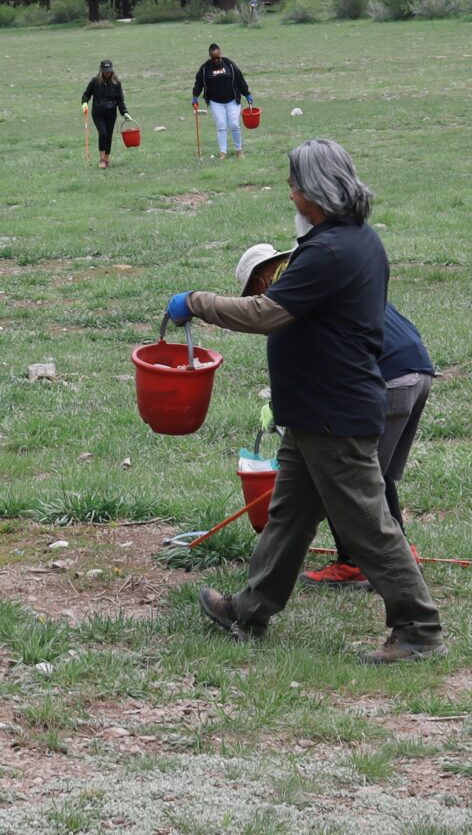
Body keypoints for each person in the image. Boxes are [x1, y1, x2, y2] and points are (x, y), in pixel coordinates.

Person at [172, 139, 442, 663]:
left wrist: (197, 303)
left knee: (367, 524)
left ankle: (418, 628)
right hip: (314, 412)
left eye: (293, 182)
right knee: (289, 517)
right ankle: (248, 612)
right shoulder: (356, 240)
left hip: (333, 413)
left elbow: (266, 313)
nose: (289, 191)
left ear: (312, 192)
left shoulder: (331, 251)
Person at [192, 43, 253, 157]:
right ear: (210, 56)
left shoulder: (229, 64)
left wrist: (247, 94)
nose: (216, 60)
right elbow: (199, 83)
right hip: (216, 102)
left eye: (218, 57)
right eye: (213, 58)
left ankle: (239, 150)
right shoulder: (205, 68)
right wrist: (195, 96)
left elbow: (240, 79)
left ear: (221, 54)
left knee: (234, 124)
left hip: (232, 100)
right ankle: (223, 152)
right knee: (221, 126)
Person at [80, 59, 133, 169]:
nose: (107, 73)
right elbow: (86, 94)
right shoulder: (95, 82)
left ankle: (107, 159)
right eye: (105, 71)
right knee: (103, 133)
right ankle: (102, 159)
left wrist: (125, 113)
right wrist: (84, 103)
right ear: (101, 71)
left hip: (111, 114)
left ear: (112, 71)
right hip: (98, 113)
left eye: (109, 71)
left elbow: (120, 100)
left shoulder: (116, 83)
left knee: (109, 136)